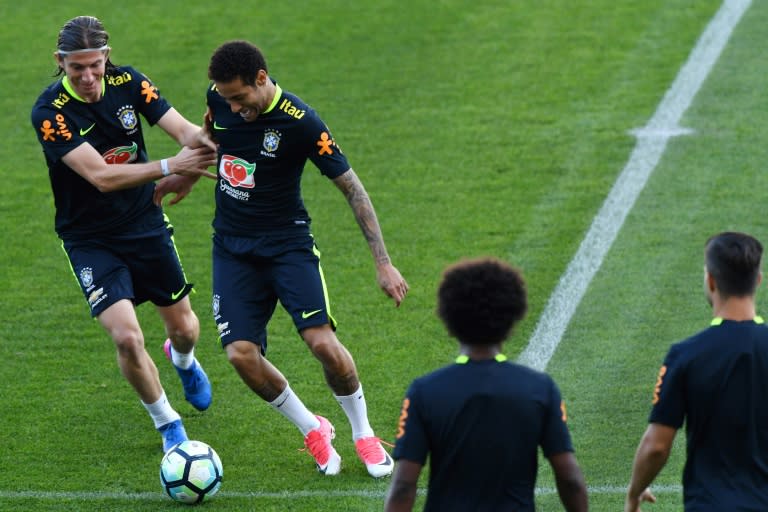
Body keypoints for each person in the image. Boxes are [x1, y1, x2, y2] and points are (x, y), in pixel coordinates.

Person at [180, 39, 407, 477]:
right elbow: (213, 136)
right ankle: (312, 428)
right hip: (231, 247)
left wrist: (383, 263)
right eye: (225, 98)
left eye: (240, 97)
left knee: (322, 343)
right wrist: (186, 176)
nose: (233, 106)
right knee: (241, 355)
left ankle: (362, 432)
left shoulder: (301, 123)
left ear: (261, 79)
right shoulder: (219, 97)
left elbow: (352, 188)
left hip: (287, 244)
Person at [30, 16, 218, 453]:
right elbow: (100, 176)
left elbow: (182, 129)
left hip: (145, 223)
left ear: (106, 57)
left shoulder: (130, 82)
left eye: (95, 65)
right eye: (77, 67)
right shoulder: (50, 112)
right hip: (89, 238)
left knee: (186, 329)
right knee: (128, 337)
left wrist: (205, 139)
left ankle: (183, 359)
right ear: (60, 62)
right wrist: (173, 166)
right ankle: (168, 424)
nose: (88, 76)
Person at [384, 257, 588, 511]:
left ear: (449, 322)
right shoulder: (539, 389)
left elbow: (404, 484)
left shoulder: (425, 392)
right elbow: (569, 479)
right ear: (512, 321)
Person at [625, 231, 768, 511]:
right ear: (758, 280)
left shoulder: (687, 355)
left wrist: (634, 492)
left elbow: (657, 447)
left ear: (711, 281)